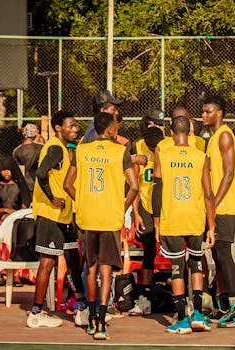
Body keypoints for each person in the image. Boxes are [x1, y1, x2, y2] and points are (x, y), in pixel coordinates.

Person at [64, 112, 139, 340]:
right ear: (109, 130)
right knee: (106, 270)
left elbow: (68, 184)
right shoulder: (120, 151)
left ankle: (93, 317)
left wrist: (84, 201)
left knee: (91, 267)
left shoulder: (81, 150)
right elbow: (134, 187)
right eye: (116, 126)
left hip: (87, 217)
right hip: (109, 218)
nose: (117, 129)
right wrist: (122, 206)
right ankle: (101, 325)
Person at [152, 116, 216, 334]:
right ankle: (197, 313)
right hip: (195, 217)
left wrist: (157, 221)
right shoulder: (201, 156)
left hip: (172, 217)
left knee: (177, 267)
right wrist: (212, 225)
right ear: (190, 132)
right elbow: (208, 193)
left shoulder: (163, 154)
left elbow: (157, 189)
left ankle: (181, 318)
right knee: (197, 263)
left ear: (171, 132)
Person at [26, 110, 87, 328]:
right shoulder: (54, 148)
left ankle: (82, 308)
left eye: (76, 125)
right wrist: (51, 198)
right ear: (58, 127)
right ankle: (36, 312)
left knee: (72, 260)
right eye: (71, 125)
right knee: (48, 262)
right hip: (50, 215)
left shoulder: (61, 149)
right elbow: (41, 173)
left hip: (63, 216)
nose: (75, 129)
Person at [202, 95, 235, 328]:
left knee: (225, 256)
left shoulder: (225, 135)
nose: (204, 115)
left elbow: (229, 173)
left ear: (219, 112)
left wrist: (214, 203)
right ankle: (224, 306)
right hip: (215, 207)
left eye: (208, 111)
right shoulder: (213, 137)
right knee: (217, 257)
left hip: (224, 206)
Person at [128, 125, 165, 316]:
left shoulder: (167, 147)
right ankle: (144, 299)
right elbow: (134, 182)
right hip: (145, 207)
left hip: (167, 208)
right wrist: (135, 212)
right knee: (148, 252)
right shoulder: (139, 147)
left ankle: (187, 299)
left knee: (178, 252)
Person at [0, 157, 31, 224]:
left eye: (9, 170)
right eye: (3, 170)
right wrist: (6, 210)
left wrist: (12, 215)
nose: (6, 172)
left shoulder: (19, 186)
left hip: (16, 217)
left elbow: (24, 207)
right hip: (0, 218)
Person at [13, 123, 43, 196]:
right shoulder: (41, 148)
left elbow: (16, 168)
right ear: (35, 134)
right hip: (39, 182)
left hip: (24, 182)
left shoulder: (17, 150)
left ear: (24, 134)